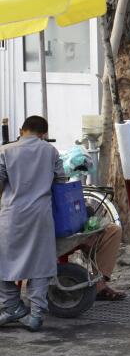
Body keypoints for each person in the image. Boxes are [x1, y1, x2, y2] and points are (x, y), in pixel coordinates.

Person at [0, 116, 67, 330]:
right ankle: (36, 316)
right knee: (39, 264)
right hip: (41, 216)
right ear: (44, 134)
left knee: (4, 262)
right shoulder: (51, 152)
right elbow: (61, 183)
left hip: (12, 216)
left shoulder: (6, 151)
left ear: (21, 130)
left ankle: (12, 306)